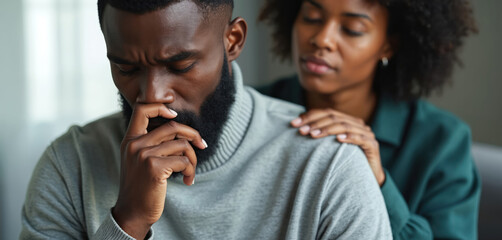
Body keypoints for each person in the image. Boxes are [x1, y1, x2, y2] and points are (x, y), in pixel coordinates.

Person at [20, 0, 392, 239]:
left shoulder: (328, 167)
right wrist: (127, 222)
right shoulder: (70, 165)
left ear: (233, 40)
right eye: (126, 67)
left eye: (180, 65)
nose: (152, 95)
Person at [258, 0, 480, 239]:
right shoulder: (252, 109)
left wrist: (378, 183)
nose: (322, 39)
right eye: (312, 17)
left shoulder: (443, 140)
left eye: (352, 29)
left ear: (388, 46)